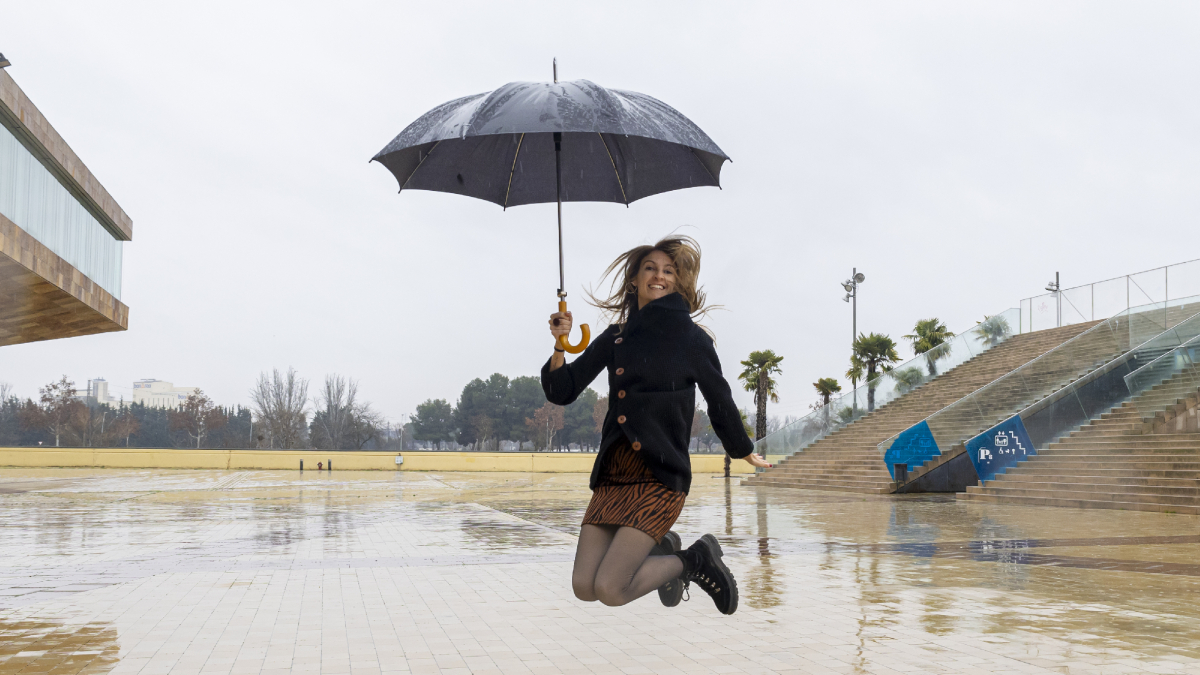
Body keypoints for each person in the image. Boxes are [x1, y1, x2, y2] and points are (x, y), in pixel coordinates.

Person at [541, 235, 771, 615]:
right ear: (634, 278)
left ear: (678, 281)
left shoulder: (692, 339)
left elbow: (719, 398)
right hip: (614, 475)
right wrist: (560, 344)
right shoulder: (615, 336)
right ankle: (665, 551)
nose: (658, 276)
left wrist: (742, 449)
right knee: (585, 586)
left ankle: (695, 559)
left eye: (668, 270)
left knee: (611, 588)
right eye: (650, 268)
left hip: (660, 475)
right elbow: (562, 391)